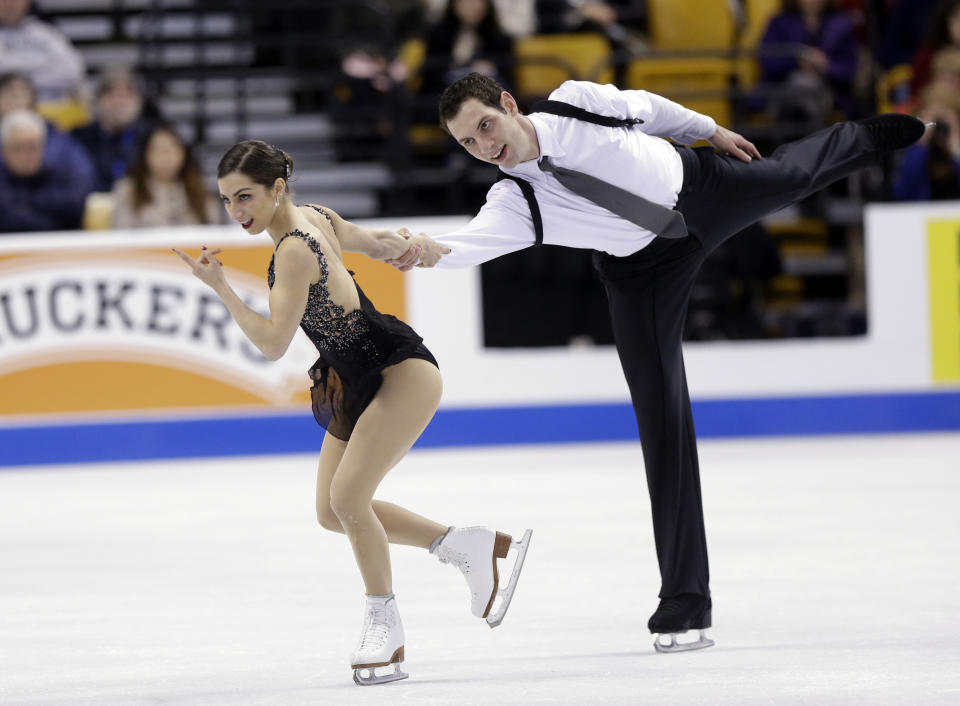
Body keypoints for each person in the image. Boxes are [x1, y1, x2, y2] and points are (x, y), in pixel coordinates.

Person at [387, 71, 925, 652]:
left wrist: (711, 130)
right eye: (468, 143)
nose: (485, 147)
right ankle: (685, 600)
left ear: (509, 105)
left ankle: (865, 139)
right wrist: (424, 249)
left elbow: (646, 108)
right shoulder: (514, 198)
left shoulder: (578, 103)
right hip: (641, 272)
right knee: (661, 420)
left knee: (791, 176)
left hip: (700, 191)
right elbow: (467, 244)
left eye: (486, 127)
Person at [172, 140, 531, 686]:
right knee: (329, 510)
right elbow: (379, 245)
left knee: (347, 499)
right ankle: (465, 544)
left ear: (276, 188)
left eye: (244, 197)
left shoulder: (293, 248)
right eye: (226, 201)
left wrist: (221, 287)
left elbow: (272, 343)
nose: (236, 212)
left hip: (398, 372)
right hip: (357, 379)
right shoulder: (319, 217)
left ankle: (384, 624)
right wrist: (404, 246)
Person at [756, 0, 860, 124]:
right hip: (783, 88)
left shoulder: (842, 25)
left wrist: (824, 65)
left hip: (829, 91)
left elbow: (849, 70)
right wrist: (798, 61)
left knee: (806, 87)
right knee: (801, 85)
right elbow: (768, 62)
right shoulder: (779, 23)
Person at [0, 108, 95, 233]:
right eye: (18, 148)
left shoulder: (60, 173)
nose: (26, 155)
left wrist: (25, 204)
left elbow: (74, 209)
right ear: (4, 150)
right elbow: (9, 220)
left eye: (32, 147)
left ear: (43, 146)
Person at [111, 123, 221, 228]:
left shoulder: (200, 189)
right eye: (158, 150)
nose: (166, 157)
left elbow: (213, 232)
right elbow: (122, 236)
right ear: (145, 155)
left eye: (172, 149)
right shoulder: (128, 190)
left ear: (183, 154)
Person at [71, 66, 159, 192]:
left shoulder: (152, 135)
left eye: (127, 95)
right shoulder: (79, 137)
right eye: (112, 94)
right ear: (98, 100)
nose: (120, 102)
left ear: (139, 101)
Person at [0, 0, 86, 105]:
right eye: (5, 1)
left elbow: (73, 71)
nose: (11, 5)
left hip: (50, 107)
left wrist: (16, 71)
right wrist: (41, 63)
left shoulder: (44, 32)